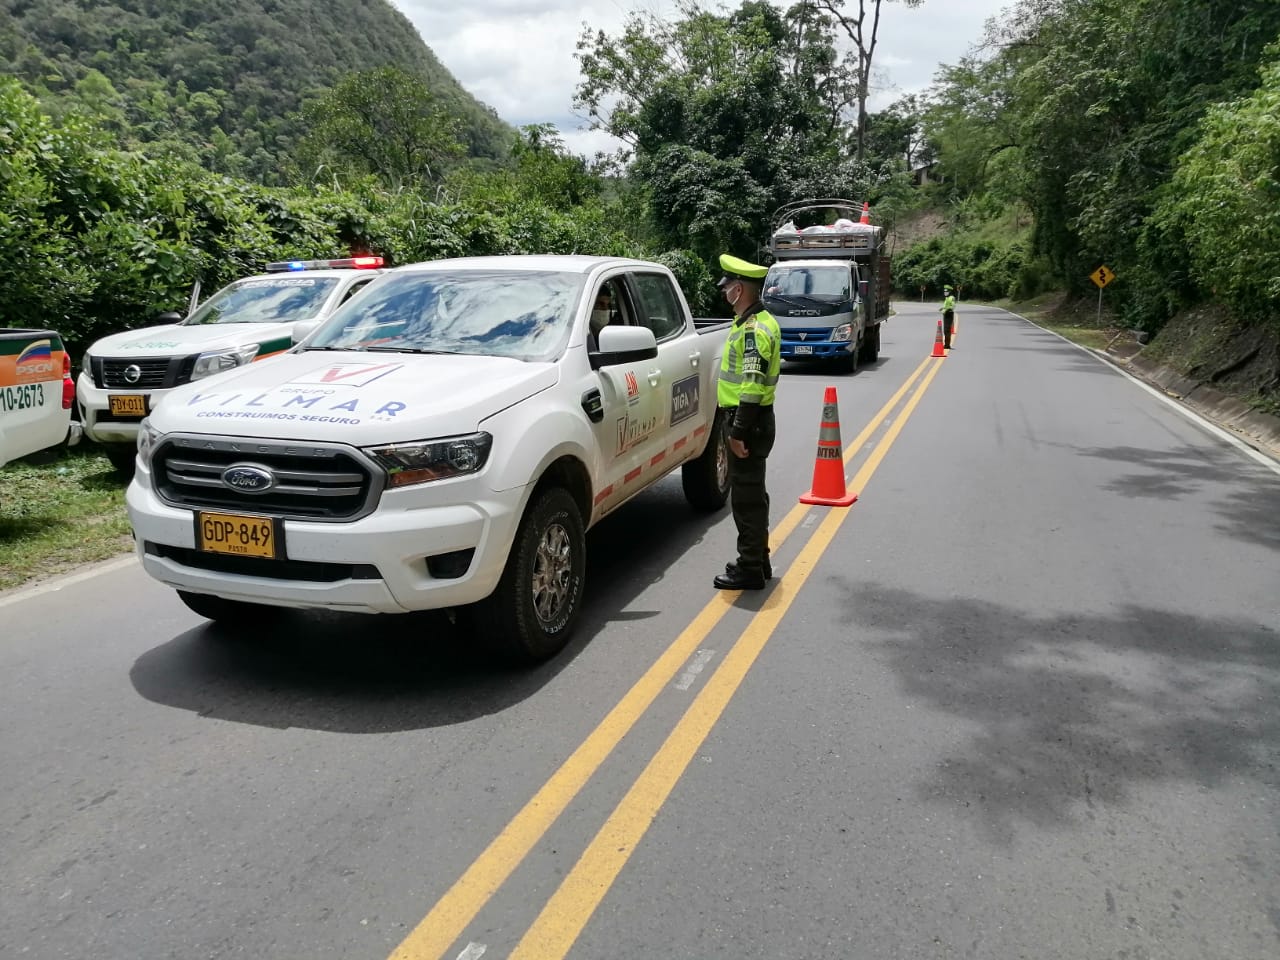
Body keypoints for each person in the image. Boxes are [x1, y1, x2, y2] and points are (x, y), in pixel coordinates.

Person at [713, 253, 782, 591]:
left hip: (748, 424)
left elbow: (752, 387)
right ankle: (760, 558)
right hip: (754, 422)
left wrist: (737, 432)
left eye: (727, 288)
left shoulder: (753, 331)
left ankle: (750, 567)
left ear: (739, 290)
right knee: (755, 494)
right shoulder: (757, 322)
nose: (724, 293)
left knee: (746, 499)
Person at [939, 284, 956, 349]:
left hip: (949, 314)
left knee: (947, 330)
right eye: (944, 291)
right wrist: (942, 308)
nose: (945, 293)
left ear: (949, 292)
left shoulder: (952, 298)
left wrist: (947, 309)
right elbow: (946, 305)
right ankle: (946, 344)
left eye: (946, 292)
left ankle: (947, 345)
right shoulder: (947, 298)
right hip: (945, 314)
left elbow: (953, 306)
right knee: (945, 330)